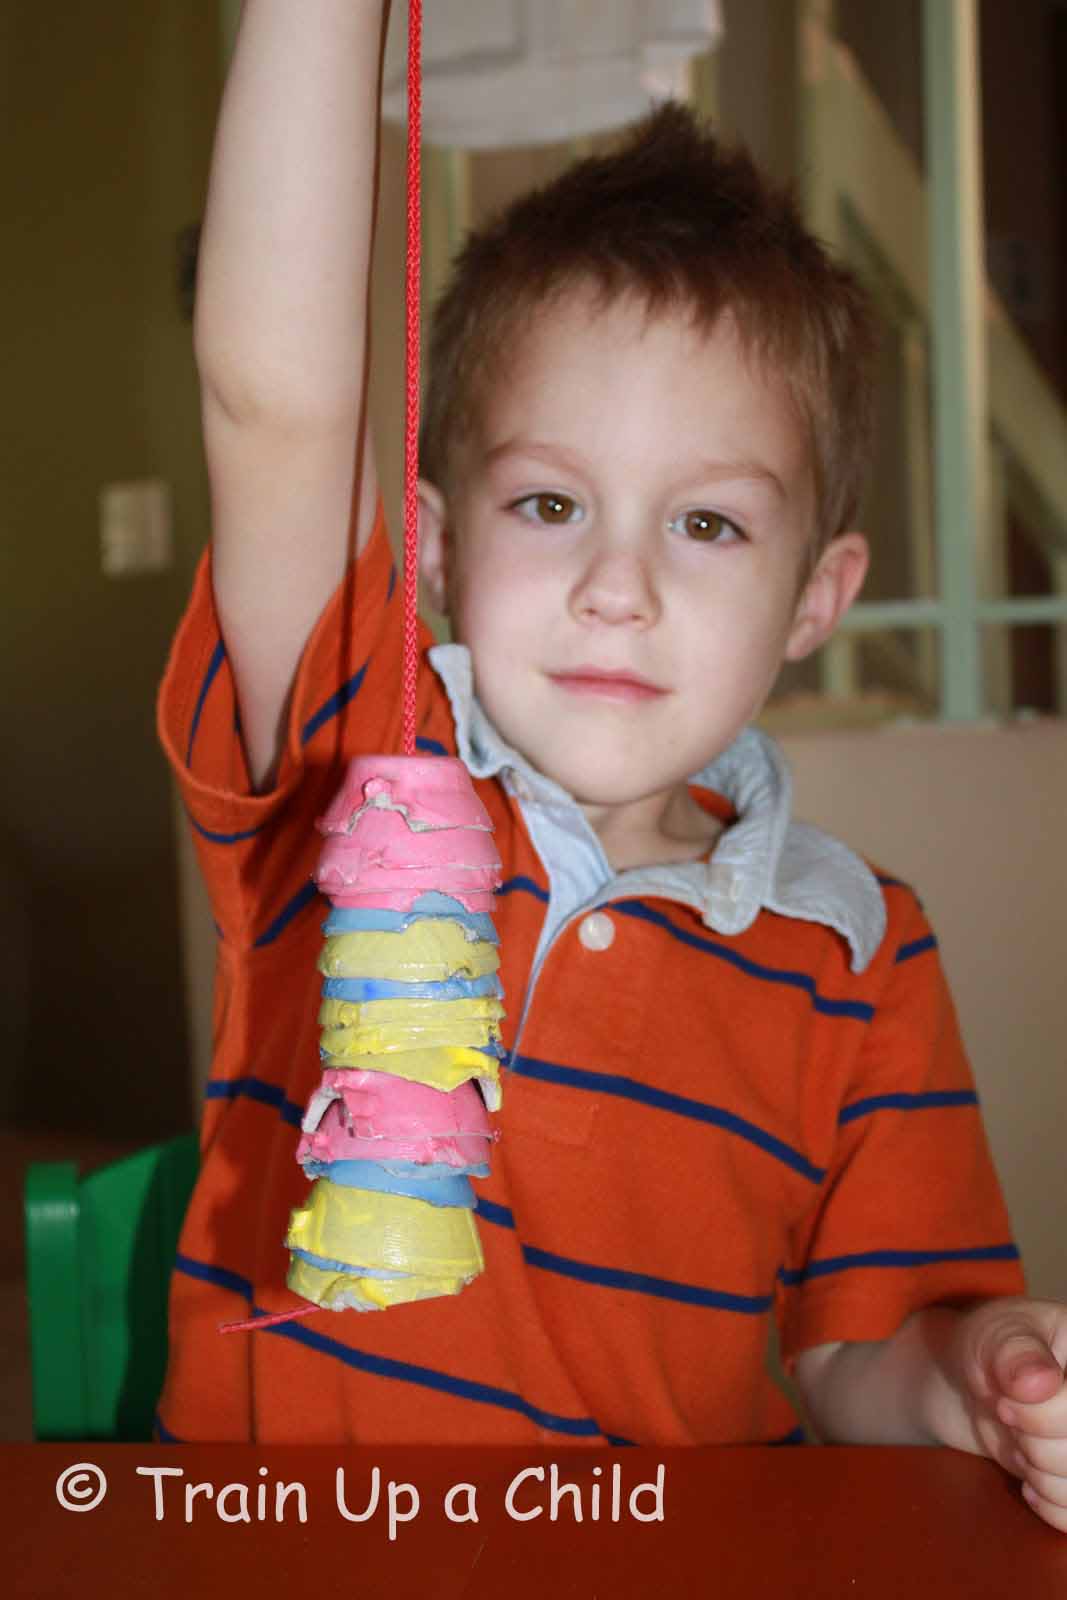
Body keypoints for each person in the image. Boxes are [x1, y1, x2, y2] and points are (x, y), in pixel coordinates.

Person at [158, 0, 1067, 1526]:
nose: (617, 587)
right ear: (440, 546)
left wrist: (974, 1372)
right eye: (550, 505)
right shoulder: (356, 757)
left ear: (817, 600)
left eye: (706, 523)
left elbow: (857, 1350)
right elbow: (276, 402)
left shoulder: (859, 950)